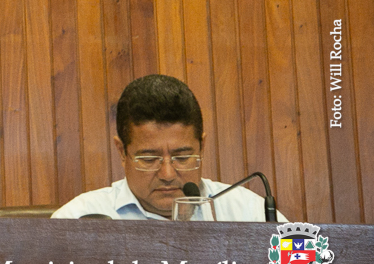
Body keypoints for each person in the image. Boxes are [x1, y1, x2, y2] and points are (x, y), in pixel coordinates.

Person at [52, 74, 285, 221]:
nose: (167, 174)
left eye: (182, 157)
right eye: (149, 159)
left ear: (202, 147)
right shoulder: (76, 219)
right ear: (122, 152)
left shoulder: (250, 213)